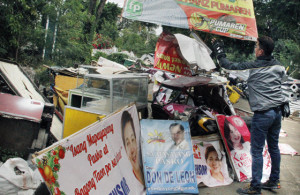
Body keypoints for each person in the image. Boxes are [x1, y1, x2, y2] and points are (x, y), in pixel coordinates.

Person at [212, 36, 288, 194]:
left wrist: (219, 48)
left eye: (256, 47)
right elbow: (281, 83)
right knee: (273, 148)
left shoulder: (252, 68)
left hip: (263, 114)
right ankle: (274, 181)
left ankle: (255, 187)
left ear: (260, 51)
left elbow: (227, 66)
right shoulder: (279, 67)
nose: (254, 49)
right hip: (277, 113)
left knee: (257, 151)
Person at [121, 111, 145, 186]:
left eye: (132, 140)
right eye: (128, 143)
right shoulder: (130, 183)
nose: (132, 150)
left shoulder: (148, 168)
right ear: (125, 149)